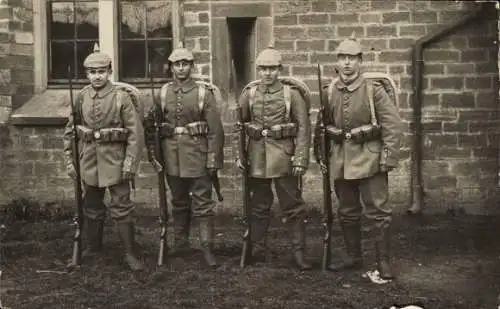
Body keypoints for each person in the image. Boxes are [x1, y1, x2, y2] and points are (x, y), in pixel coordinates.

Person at [313, 36, 403, 279]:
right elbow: (321, 126)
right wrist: (321, 155)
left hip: (371, 159)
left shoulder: (374, 90)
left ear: (360, 61)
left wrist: (388, 158)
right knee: (347, 211)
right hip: (341, 159)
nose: (347, 64)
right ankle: (354, 257)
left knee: (378, 212)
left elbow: (392, 126)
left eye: (352, 58)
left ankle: (383, 261)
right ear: (337, 62)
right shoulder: (329, 91)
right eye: (342, 58)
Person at [63, 50, 145, 271]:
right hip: (88, 160)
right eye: (92, 72)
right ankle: (93, 247)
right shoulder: (81, 97)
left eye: (101, 72)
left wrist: (130, 163)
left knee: (121, 206)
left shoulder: (121, 97)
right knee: (91, 205)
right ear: (86, 74)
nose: (97, 76)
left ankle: (129, 253)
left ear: (109, 72)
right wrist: (70, 160)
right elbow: (71, 131)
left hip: (115, 161)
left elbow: (135, 134)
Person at [144, 46, 224, 268]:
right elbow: (151, 126)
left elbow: (215, 131)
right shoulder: (162, 93)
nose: (181, 68)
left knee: (203, 202)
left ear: (191, 66)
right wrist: (154, 154)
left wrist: (212, 160)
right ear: (171, 67)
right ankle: (181, 243)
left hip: (197, 154)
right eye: (177, 64)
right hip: (171, 156)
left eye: (185, 64)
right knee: (178, 201)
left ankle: (207, 248)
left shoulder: (202, 93)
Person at [236, 46, 312, 270]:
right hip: (256, 157)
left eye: (271, 69)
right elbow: (239, 128)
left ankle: (299, 252)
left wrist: (300, 159)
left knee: (293, 206)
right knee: (258, 205)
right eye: (263, 69)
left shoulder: (292, 94)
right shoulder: (249, 94)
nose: (267, 74)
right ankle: (258, 248)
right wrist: (241, 156)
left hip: (283, 157)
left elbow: (304, 129)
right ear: (258, 70)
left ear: (279, 69)